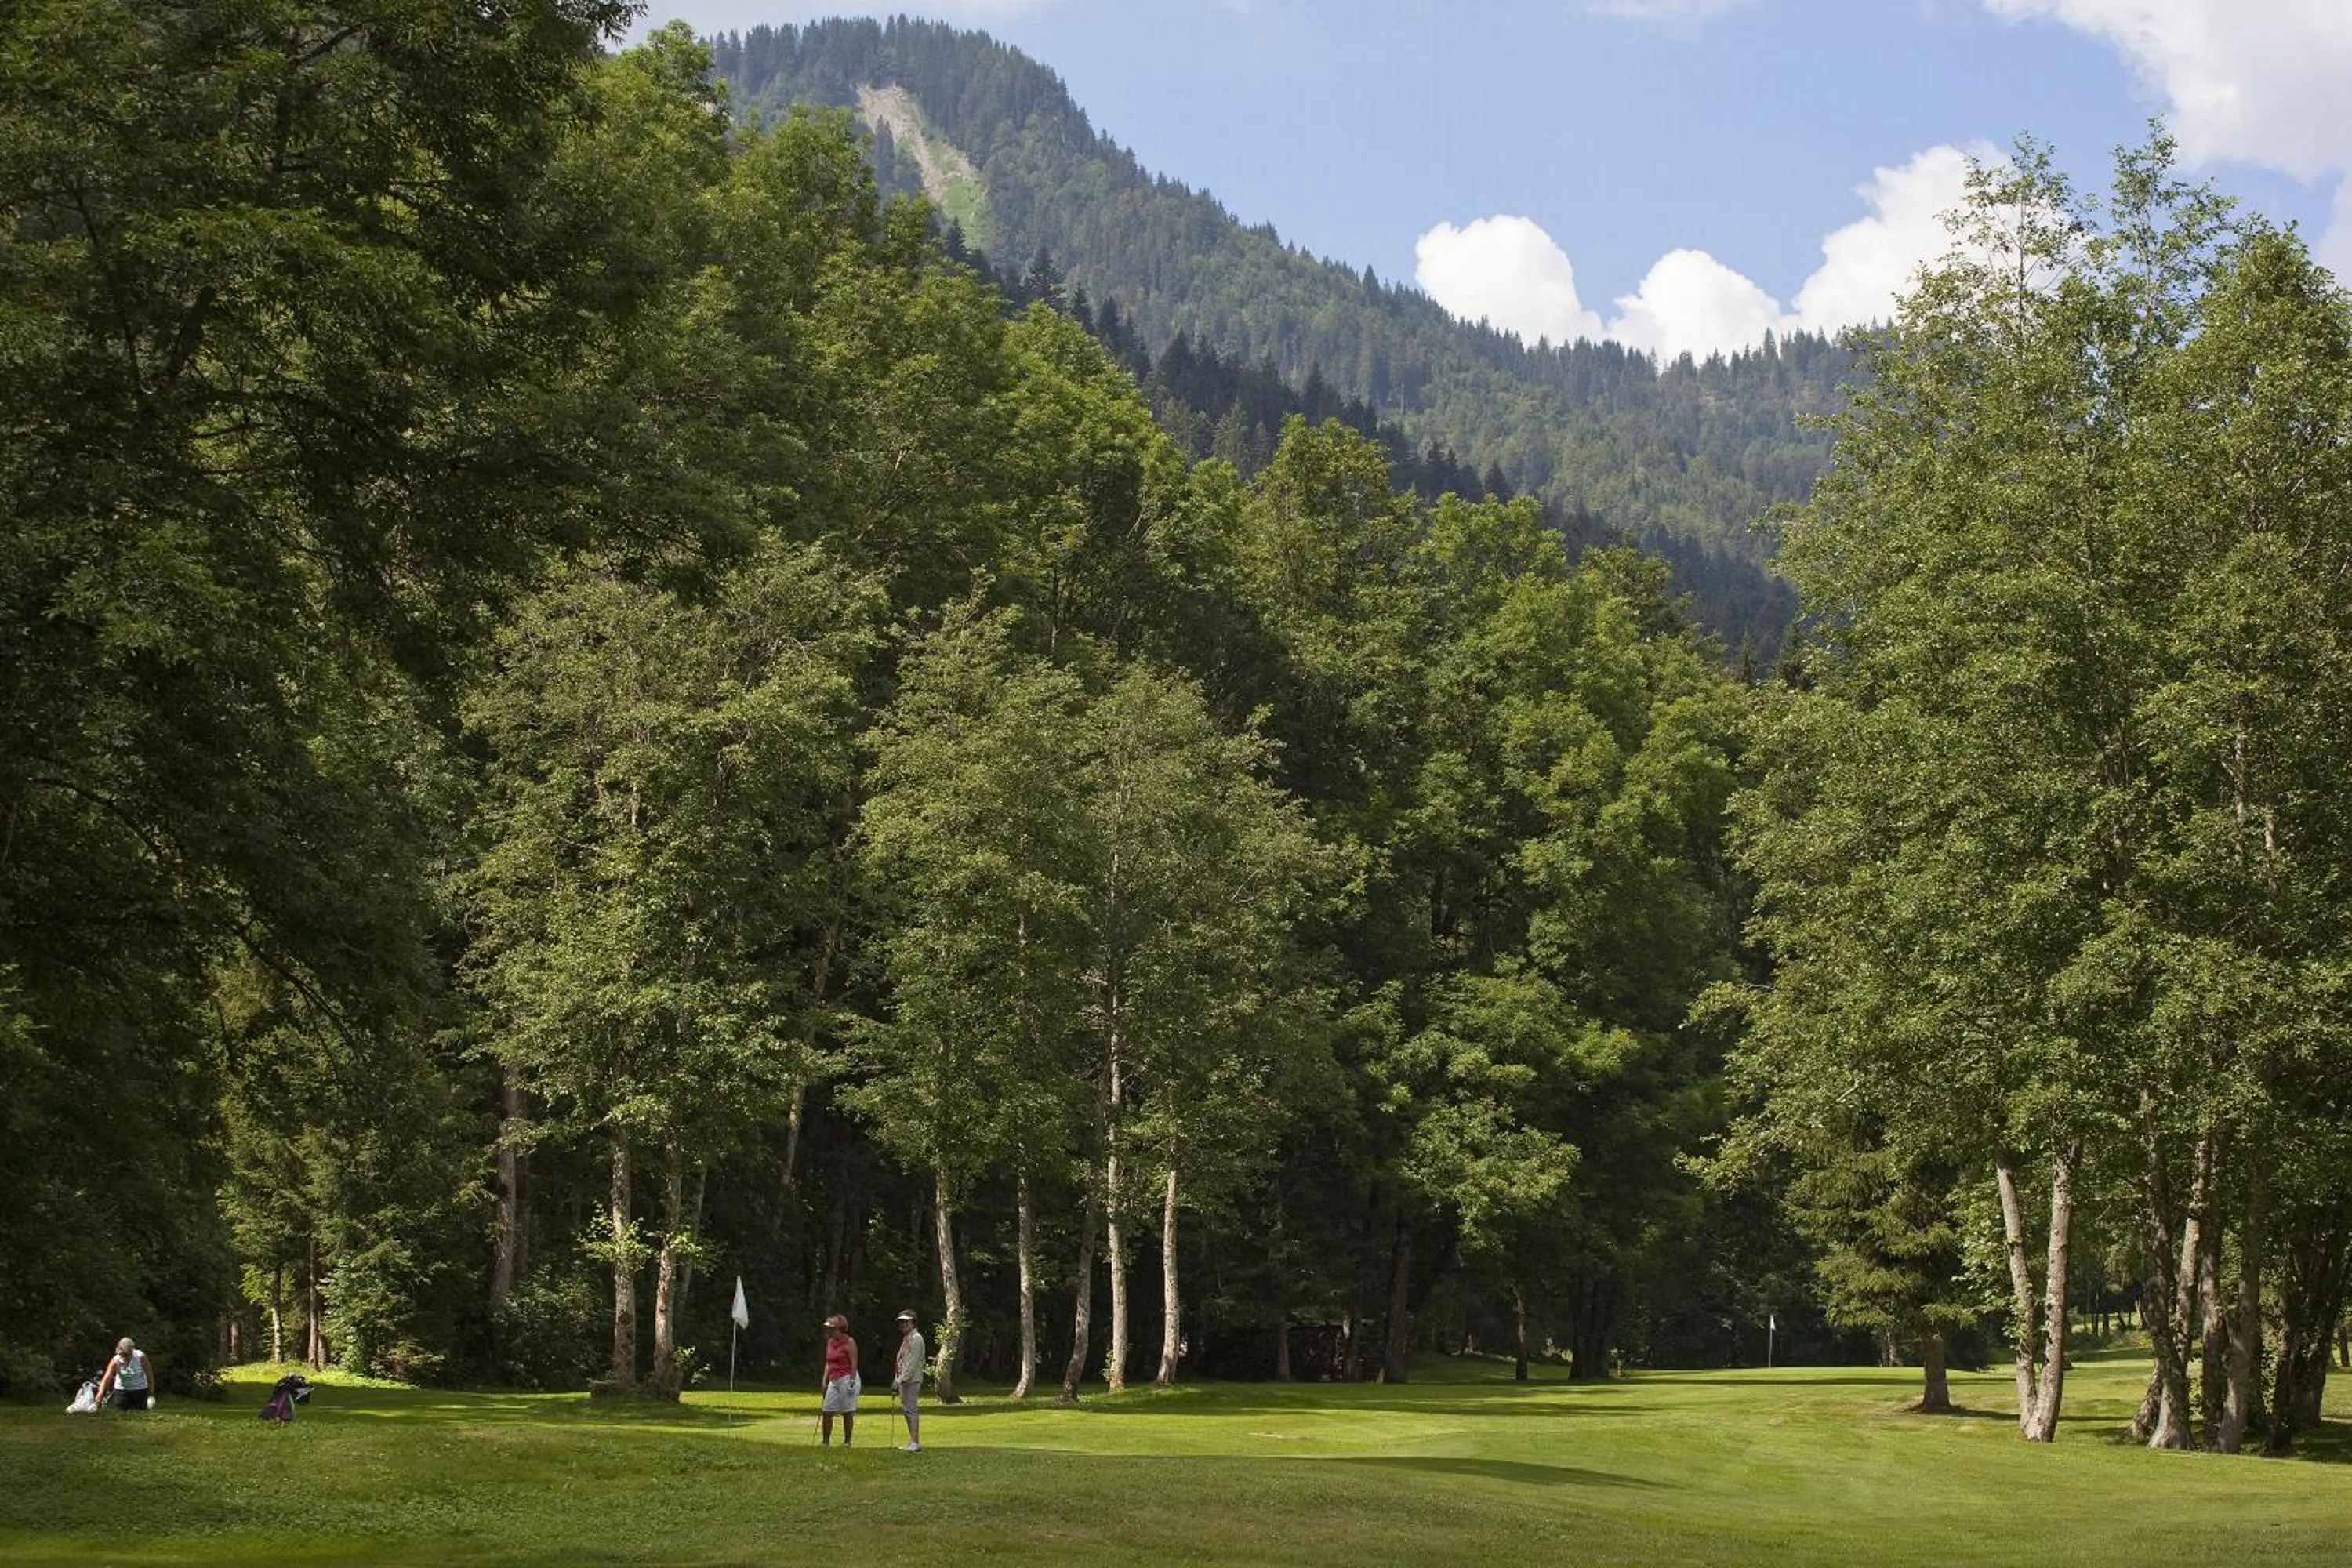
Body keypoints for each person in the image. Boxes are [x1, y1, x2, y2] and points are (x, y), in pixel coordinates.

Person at [818, 1313, 859, 1446]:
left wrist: (852, 1382)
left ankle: (847, 1442)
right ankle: (826, 1442)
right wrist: (825, 1380)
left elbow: (854, 1363)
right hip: (834, 1379)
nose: (829, 1331)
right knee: (827, 1411)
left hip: (847, 1377)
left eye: (831, 1328)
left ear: (839, 1328)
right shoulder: (830, 1342)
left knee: (847, 1411)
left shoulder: (849, 1342)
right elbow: (829, 1362)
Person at [892, 1310, 927, 1453]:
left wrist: (898, 1381)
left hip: (912, 1380)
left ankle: (915, 1442)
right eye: (901, 1322)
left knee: (911, 1410)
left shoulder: (917, 1338)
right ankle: (912, 1440)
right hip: (904, 1380)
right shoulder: (907, 1338)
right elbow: (901, 1361)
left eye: (906, 1321)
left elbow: (911, 1365)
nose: (903, 1324)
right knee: (907, 1410)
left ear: (913, 1322)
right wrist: (897, 1379)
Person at [96, 1337, 154, 1411]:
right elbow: (106, 1379)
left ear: (132, 1351)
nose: (125, 1358)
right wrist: (100, 1393)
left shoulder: (141, 1357)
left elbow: (149, 1374)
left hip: (140, 1390)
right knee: (121, 1414)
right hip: (121, 1390)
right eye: (122, 1355)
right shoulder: (116, 1360)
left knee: (140, 1414)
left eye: (127, 1355)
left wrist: (151, 1392)